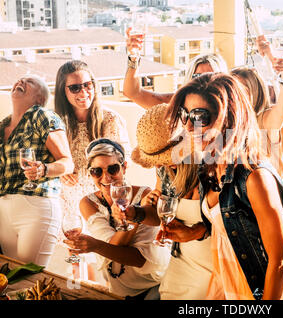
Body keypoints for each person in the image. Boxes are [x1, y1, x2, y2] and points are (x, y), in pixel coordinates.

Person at [165, 72, 283, 300]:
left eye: (199, 116)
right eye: (184, 115)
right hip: (227, 284)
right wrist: (193, 232)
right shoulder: (209, 168)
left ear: (228, 118)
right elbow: (226, 226)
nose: (188, 126)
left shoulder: (254, 177)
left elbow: (280, 259)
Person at [63, 138, 170, 299]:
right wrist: (136, 217)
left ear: (124, 167)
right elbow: (111, 245)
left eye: (112, 169)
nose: (106, 178)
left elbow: (139, 259)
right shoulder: (88, 203)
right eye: (97, 171)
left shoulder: (146, 195)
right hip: (117, 291)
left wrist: (96, 246)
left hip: (154, 288)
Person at [54, 60, 131, 280]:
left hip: (101, 199)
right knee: (75, 257)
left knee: (106, 256)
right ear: (63, 91)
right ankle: (80, 290)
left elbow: (122, 165)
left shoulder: (110, 119)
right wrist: (59, 169)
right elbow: (44, 160)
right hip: (68, 202)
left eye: (88, 84)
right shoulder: (57, 123)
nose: (83, 91)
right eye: (75, 87)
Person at [130, 103, 213, 299]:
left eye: (162, 157)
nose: (158, 164)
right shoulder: (164, 169)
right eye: (155, 159)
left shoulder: (208, 169)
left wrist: (194, 231)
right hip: (179, 258)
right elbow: (159, 217)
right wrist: (139, 212)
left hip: (211, 260)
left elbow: (231, 221)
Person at [0, 75, 74, 267]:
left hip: (36, 206)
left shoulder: (42, 116)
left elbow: (67, 163)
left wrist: (44, 169)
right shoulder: (2, 126)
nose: (21, 81)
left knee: (29, 276)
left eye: (30, 82)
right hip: (4, 209)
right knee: (11, 279)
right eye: (19, 79)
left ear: (40, 99)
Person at [123, 27, 228, 109]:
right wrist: (134, 58)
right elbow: (133, 93)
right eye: (197, 76)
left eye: (210, 77)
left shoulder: (233, 109)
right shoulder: (181, 102)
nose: (204, 82)